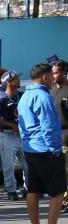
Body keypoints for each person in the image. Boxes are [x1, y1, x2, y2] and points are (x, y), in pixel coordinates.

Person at [18, 63, 68, 224]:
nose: (53, 79)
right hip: (46, 149)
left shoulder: (24, 96)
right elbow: (48, 126)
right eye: (51, 76)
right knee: (59, 190)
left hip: (31, 148)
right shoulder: (43, 96)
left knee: (34, 189)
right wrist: (55, 149)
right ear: (45, 76)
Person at [0, 71, 28, 200]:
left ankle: (28, 188)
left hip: (23, 135)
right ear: (8, 82)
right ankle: (11, 190)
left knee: (27, 163)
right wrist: (13, 126)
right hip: (7, 136)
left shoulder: (22, 95)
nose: (18, 80)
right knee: (8, 165)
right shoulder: (1, 99)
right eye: (15, 79)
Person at [50, 60, 68, 210]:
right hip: (53, 137)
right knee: (58, 170)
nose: (53, 75)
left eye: (56, 72)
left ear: (63, 72)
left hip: (65, 135)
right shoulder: (49, 90)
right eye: (52, 72)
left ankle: (64, 200)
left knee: (66, 169)